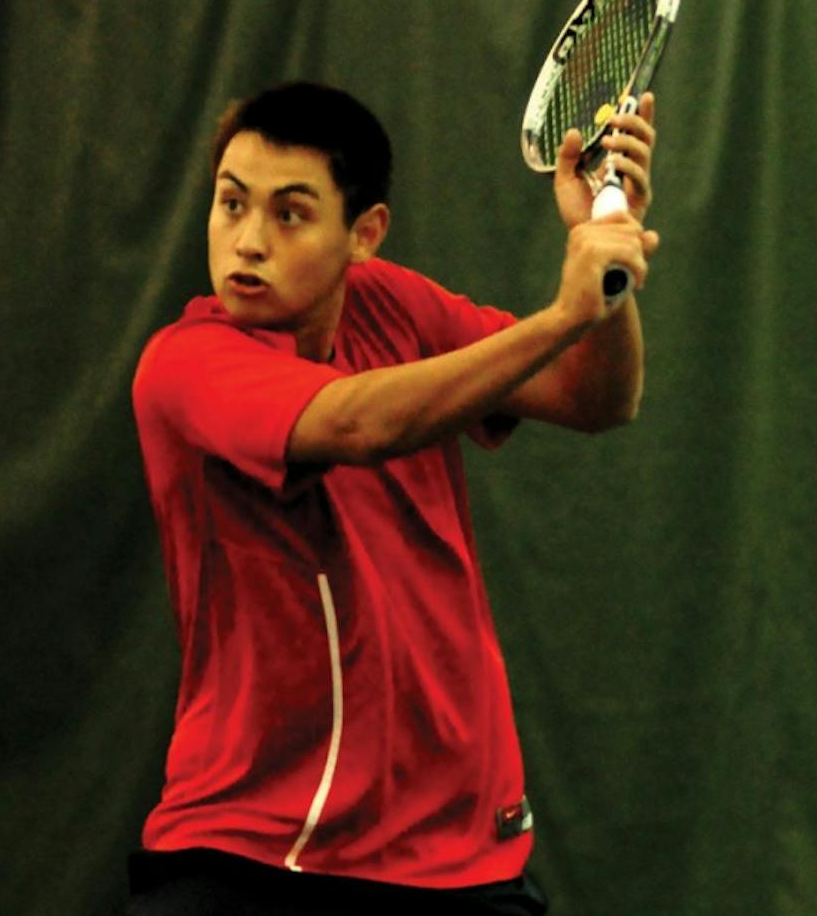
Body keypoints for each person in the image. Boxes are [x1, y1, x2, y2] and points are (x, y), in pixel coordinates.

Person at [127, 81, 659, 915]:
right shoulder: (184, 366)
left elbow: (598, 401)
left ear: (364, 233)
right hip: (258, 852)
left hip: (461, 854)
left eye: (290, 213)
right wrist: (562, 315)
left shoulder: (397, 307)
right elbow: (357, 425)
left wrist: (604, 263)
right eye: (231, 204)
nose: (248, 241)